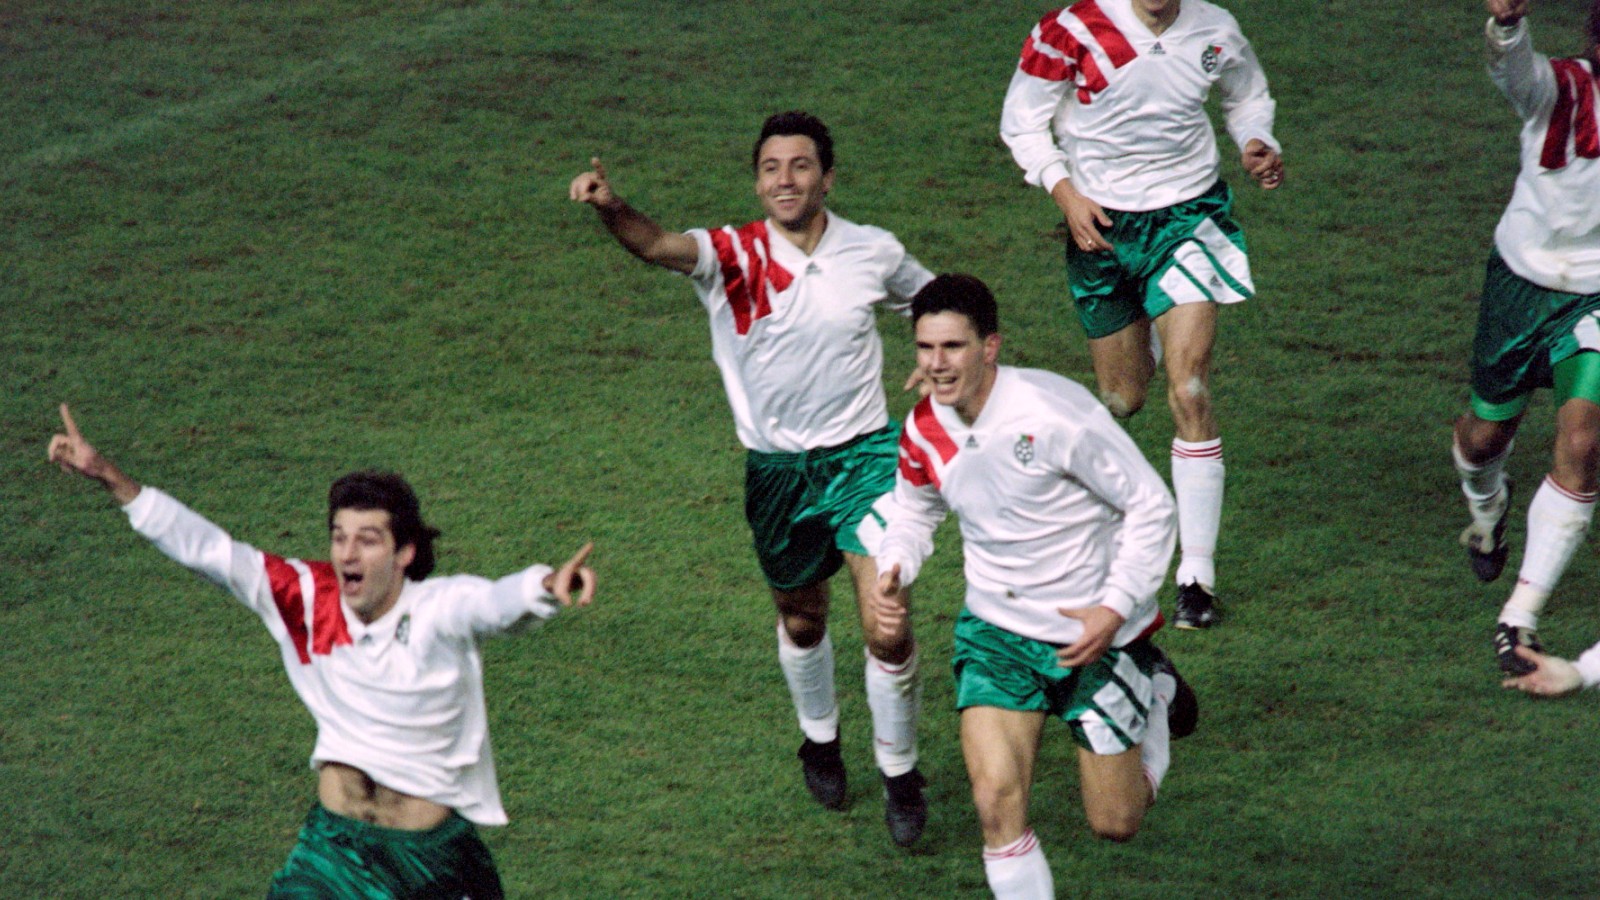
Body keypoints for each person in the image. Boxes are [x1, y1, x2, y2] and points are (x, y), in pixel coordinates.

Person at [46, 403, 597, 898]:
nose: (347, 552)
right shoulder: (304, 598)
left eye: (368, 539)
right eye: (339, 536)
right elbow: (209, 550)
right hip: (334, 854)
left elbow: (492, 603)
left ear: (405, 552)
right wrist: (110, 477)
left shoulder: (437, 610)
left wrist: (543, 587)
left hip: (429, 865)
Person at [567, 111, 935, 845]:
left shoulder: (872, 250)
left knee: (885, 624)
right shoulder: (729, 253)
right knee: (803, 618)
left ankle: (901, 773)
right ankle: (820, 739)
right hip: (776, 474)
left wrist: (936, 358)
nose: (785, 180)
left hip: (864, 460)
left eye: (800, 166)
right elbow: (654, 244)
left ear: (827, 177)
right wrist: (612, 207)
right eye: (771, 168)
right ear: (758, 180)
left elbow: (932, 300)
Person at [871, 275, 1197, 899]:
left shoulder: (1054, 413)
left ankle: (1151, 691)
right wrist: (894, 566)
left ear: (989, 347)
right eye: (925, 348)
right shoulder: (924, 429)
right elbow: (914, 509)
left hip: (1093, 637)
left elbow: (1151, 505)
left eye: (953, 347)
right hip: (996, 634)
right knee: (994, 802)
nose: (937, 365)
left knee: (1116, 822)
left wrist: (1115, 607)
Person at [999, 0, 1284, 630]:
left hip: (1188, 218)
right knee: (1123, 397)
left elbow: (1246, 94)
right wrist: (1062, 189)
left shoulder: (1214, 29)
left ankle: (1197, 577)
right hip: (1100, 226)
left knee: (1190, 386)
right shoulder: (1071, 30)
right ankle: (1149, 340)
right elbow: (1021, 122)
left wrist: (1256, 141)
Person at [1451, 0, 1600, 676]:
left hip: (1595, 298)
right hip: (1520, 285)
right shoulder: (1560, 89)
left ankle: (1519, 620)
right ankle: (1488, 505)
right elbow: (1515, 75)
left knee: (1582, 440)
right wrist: (1507, 26)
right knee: (1483, 439)